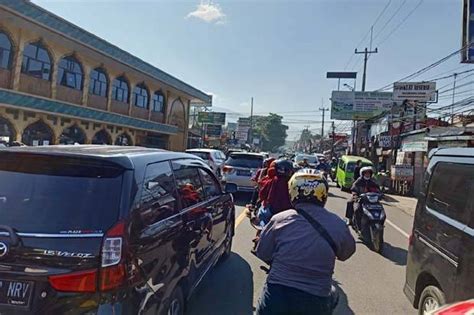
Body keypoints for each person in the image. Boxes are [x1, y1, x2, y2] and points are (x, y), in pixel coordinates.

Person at [256, 169, 356, 315]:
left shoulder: (280, 219)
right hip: (316, 298)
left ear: (293, 192)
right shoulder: (338, 224)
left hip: (278, 294)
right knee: (334, 296)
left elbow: (262, 252)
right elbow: (346, 253)